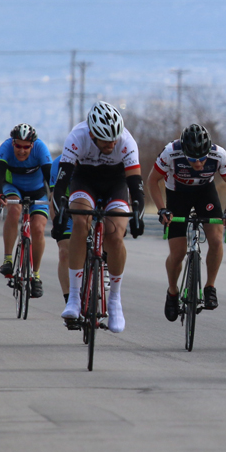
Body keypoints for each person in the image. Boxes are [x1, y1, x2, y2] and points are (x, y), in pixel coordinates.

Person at [52, 101, 144, 334]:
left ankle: (114, 301)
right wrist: (60, 213)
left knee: (115, 235)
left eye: (115, 139)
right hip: (85, 180)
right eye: (106, 140)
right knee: (80, 223)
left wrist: (138, 215)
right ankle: (74, 297)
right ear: (92, 134)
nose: (112, 144)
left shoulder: (126, 142)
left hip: (116, 183)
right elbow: (61, 183)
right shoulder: (77, 137)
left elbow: (136, 185)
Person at [148, 123, 226, 321]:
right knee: (178, 252)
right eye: (192, 159)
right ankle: (172, 291)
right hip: (177, 194)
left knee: (215, 239)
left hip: (205, 193)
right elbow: (152, 180)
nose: (198, 164)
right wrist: (162, 209)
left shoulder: (219, 154)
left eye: (202, 159)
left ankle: (210, 287)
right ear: (184, 152)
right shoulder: (170, 153)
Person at [0, 123, 53, 298]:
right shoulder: (5, 147)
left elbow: (50, 176)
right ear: (13, 143)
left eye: (26, 147)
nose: (21, 151)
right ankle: (8, 259)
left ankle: (36, 275)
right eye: (18, 146)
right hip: (13, 187)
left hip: (37, 190)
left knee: (39, 228)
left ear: (33, 145)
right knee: (14, 209)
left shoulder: (41, 148)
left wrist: (54, 196)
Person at [48, 153, 72, 303]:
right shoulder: (59, 163)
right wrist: (57, 223)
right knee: (64, 251)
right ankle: (69, 298)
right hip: (66, 205)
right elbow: (53, 197)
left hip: (95, 201)